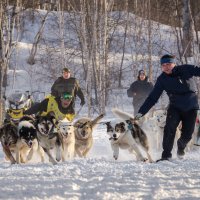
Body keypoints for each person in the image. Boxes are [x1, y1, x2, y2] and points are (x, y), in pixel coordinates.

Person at [134, 54, 200, 161]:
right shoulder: (162, 79)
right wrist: (141, 112)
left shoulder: (186, 69)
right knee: (169, 129)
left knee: (188, 134)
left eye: (168, 64)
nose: (166, 67)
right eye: (163, 65)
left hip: (191, 107)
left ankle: (181, 145)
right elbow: (152, 98)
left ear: (174, 63)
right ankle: (166, 156)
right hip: (175, 107)